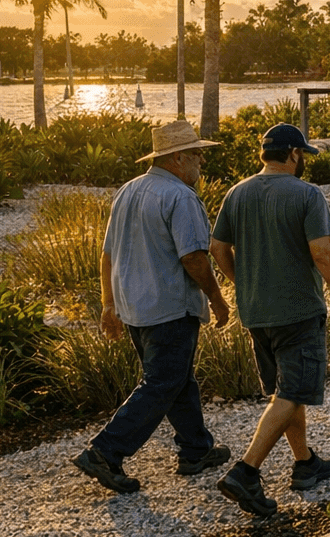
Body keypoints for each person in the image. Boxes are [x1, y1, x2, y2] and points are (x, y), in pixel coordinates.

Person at [72, 119, 231, 494]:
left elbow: (107, 254)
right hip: (168, 307)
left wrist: (108, 305)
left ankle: (196, 450)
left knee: (177, 378)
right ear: (176, 159)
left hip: (134, 307)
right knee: (162, 382)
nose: (200, 164)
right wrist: (218, 299)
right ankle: (105, 451)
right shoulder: (181, 197)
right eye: (196, 156)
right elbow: (194, 257)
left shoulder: (128, 191)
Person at [210, 123, 330, 516]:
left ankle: (305, 462)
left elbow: (217, 246)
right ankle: (245, 471)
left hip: (256, 313)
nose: (303, 161)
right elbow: (323, 253)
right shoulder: (307, 194)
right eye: (302, 155)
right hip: (298, 311)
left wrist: (240, 279)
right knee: (292, 392)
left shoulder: (236, 193)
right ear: (293, 154)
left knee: (287, 390)